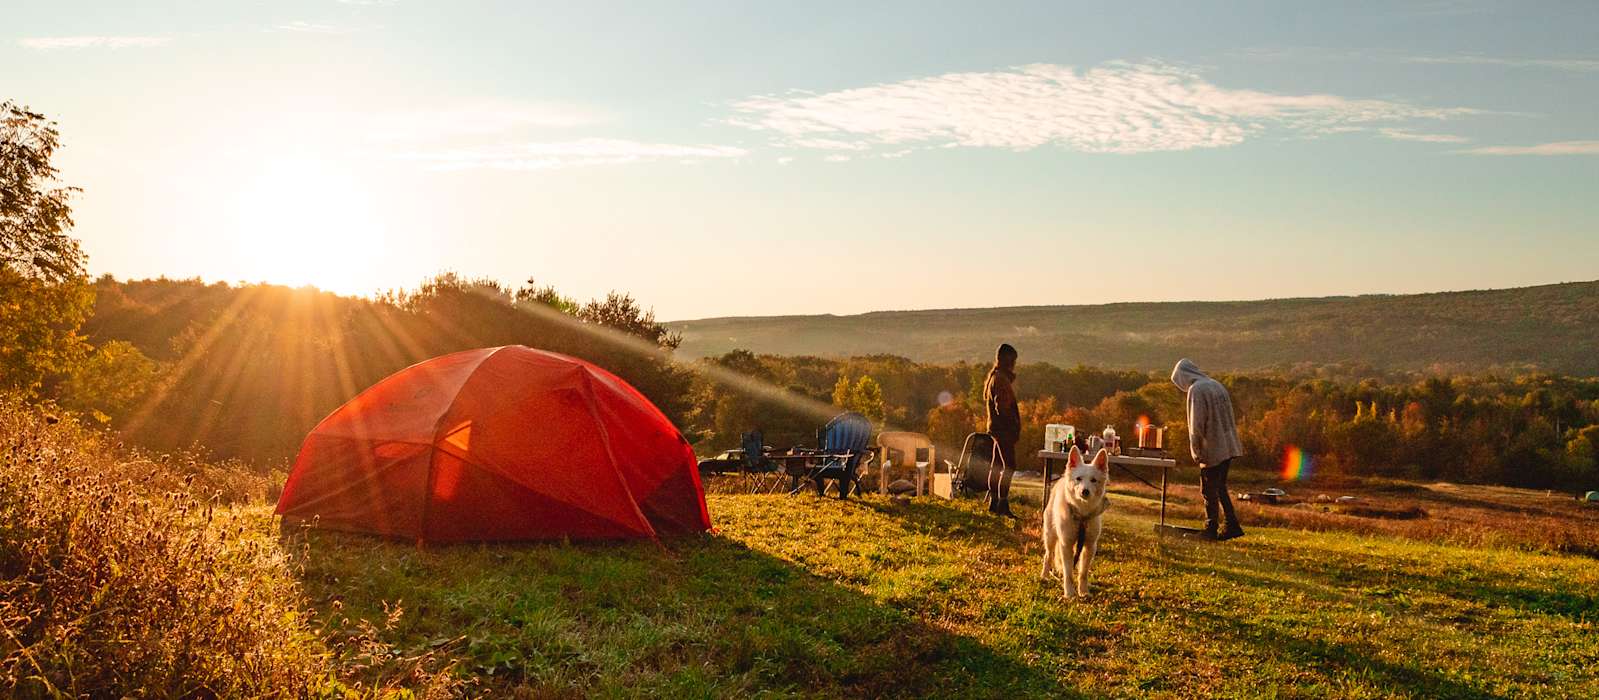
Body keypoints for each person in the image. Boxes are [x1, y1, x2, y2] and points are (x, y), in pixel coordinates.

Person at [1171, 358, 1245, 540]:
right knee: (1220, 487)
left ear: (1183, 377)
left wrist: (1196, 450)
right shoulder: (1215, 384)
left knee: (1209, 489)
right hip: (1228, 443)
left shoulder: (1196, 390)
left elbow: (1196, 423)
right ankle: (1232, 524)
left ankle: (1210, 529)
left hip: (1213, 445)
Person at [984, 343, 1021, 517]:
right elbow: (1002, 407)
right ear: (1008, 360)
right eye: (1013, 360)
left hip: (996, 429)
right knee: (1008, 466)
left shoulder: (995, 377)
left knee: (997, 465)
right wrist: (1012, 426)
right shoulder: (1001, 380)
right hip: (1003, 431)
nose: (1014, 364)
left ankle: (994, 502)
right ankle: (1002, 504)